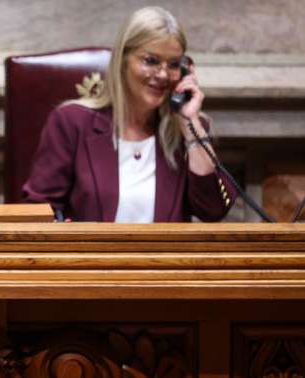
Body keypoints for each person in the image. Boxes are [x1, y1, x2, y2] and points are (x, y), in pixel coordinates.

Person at [22, 6, 233, 222]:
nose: (162, 74)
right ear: (123, 60)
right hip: (90, 255)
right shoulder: (71, 122)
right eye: (150, 61)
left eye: (173, 65)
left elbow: (213, 210)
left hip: (166, 256)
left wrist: (191, 125)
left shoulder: (188, 131)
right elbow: (39, 209)